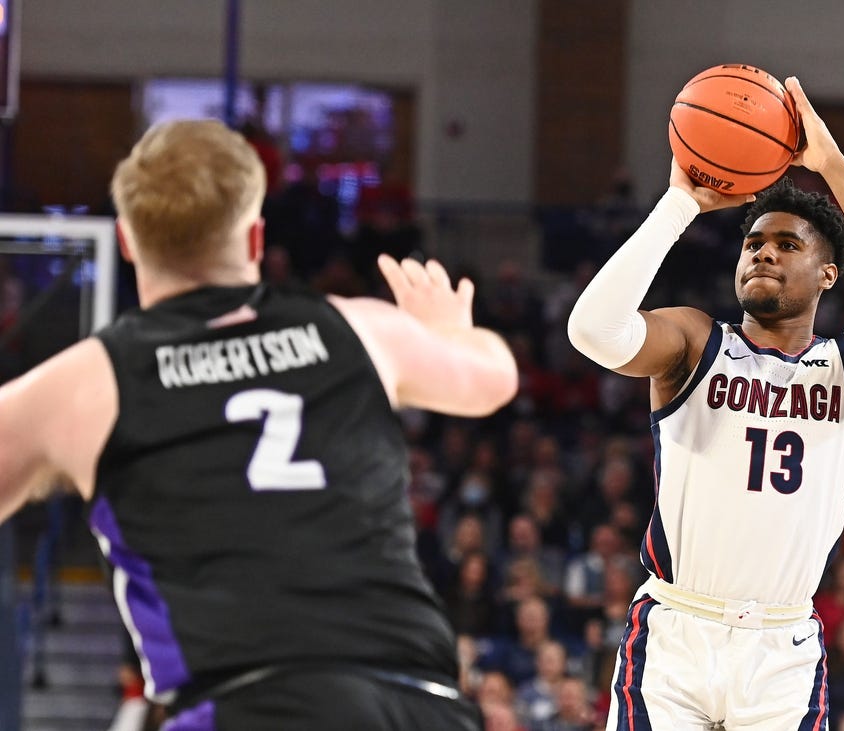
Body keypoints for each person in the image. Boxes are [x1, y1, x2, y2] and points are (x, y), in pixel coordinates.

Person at [0, 120, 519, 730]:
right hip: (421, 701)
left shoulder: (87, 382)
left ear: (126, 241)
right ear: (253, 239)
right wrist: (452, 328)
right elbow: (495, 378)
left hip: (252, 701)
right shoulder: (361, 329)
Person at [567, 76, 844, 729]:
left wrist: (836, 171)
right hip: (677, 630)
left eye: (787, 244)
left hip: (781, 649)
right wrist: (679, 203)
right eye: (753, 242)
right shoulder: (694, 340)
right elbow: (592, 332)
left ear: (827, 273)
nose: (763, 250)